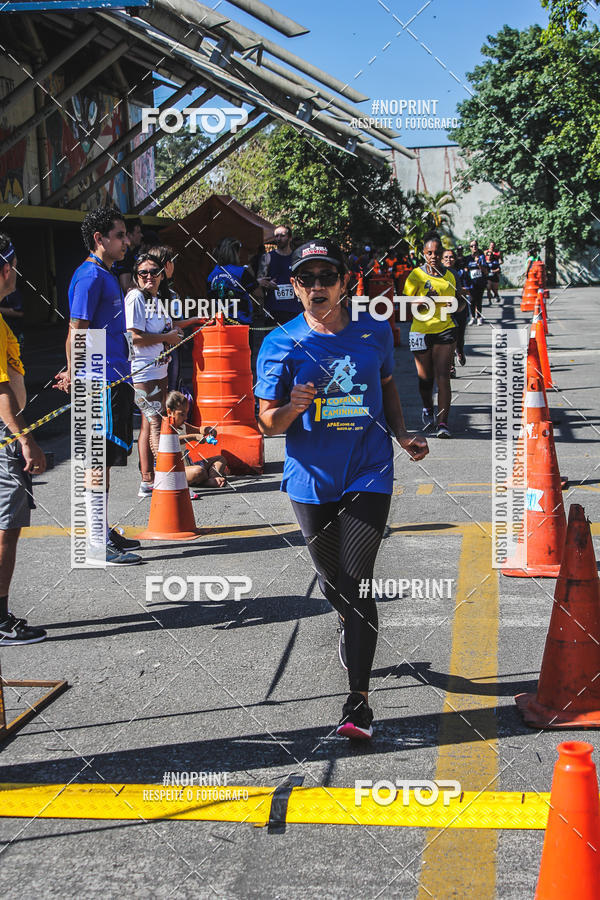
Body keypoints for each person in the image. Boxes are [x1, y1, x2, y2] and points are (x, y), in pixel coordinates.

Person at [255, 238, 428, 740]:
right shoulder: (280, 343)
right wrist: (293, 406)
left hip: (368, 470)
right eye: (306, 279)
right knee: (333, 584)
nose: (316, 287)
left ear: (345, 282)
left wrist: (401, 433)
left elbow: (389, 385)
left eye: (326, 277)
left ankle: (358, 702)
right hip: (311, 479)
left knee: (357, 580)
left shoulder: (374, 332)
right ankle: (347, 625)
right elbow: (267, 423)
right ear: (294, 286)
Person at [54, 206, 141, 565]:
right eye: (119, 235)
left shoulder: (106, 274)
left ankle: (101, 530)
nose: (126, 241)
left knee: (105, 460)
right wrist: (76, 375)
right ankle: (94, 542)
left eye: (124, 235)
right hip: (98, 383)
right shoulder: (89, 276)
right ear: (99, 239)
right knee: (96, 460)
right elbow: (77, 328)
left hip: (113, 379)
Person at [0, 234, 48, 644]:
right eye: (13, 264)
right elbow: (0, 391)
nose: (16, 271)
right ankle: (0, 619)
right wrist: (23, 438)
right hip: (3, 436)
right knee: (6, 525)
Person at [125, 253, 184, 498]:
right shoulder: (136, 297)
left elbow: (166, 331)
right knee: (157, 423)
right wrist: (166, 338)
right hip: (143, 369)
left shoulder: (155, 298)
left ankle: (148, 480)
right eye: (143, 273)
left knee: (151, 423)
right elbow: (134, 337)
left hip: (159, 368)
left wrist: (189, 324)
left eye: (154, 272)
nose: (149, 276)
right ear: (136, 277)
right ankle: (167, 480)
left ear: (162, 274)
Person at [404, 233, 464, 438]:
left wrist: (454, 305)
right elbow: (404, 306)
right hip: (420, 330)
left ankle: (443, 423)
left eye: (437, 252)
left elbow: (462, 302)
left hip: (445, 330)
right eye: (429, 253)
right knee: (425, 380)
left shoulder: (451, 276)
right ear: (423, 254)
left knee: (443, 377)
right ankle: (428, 409)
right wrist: (422, 300)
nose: (433, 256)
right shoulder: (415, 276)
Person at [165, 391, 229, 489]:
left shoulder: (183, 425)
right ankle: (206, 481)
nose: (185, 417)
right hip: (174, 470)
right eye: (182, 414)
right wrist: (193, 437)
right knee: (199, 471)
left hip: (188, 465)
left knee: (220, 459)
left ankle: (214, 477)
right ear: (169, 412)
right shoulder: (165, 427)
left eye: (186, 413)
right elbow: (172, 440)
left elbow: (199, 430)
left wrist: (208, 429)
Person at [207, 237, 261, 325]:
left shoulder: (211, 275)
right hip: (241, 322)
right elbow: (258, 294)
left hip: (220, 322)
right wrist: (257, 281)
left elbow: (210, 299)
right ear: (236, 253)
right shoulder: (241, 272)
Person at [257, 225, 301, 325]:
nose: (279, 238)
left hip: (295, 308)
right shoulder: (267, 257)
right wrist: (267, 284)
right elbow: (259, 281)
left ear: (290, 238)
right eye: (276, 236)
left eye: (282, 235)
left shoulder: (297, 257)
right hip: (274, 308)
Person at [442, 248, 468, 374]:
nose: (448, 259)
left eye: (451, 257)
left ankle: (460, 350)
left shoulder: (459, 272)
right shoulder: (438, 273)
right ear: (442, 260)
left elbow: (464, 291)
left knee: (460, 336)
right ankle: (451, 366)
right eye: (445, 257)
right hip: (445, 310)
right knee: (449, 337)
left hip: (459, 307)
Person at [114, 216, 144, 294]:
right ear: (129, 235)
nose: (141, 235)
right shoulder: (124, 255)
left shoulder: (133, 253)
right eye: (138, 232)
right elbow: (126, 287)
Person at [464, 239, 487, 325]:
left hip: (480, 282)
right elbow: (465, 268)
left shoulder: (482, 257)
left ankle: (479, 317)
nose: (474, 247)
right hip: (471, 283)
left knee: (479, 300)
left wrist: (479, 265)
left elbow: (485, 271)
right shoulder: (468, 258)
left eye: (475, 245)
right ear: (470, 248)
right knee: (471, 300)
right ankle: (472, 317)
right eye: (472, 246)